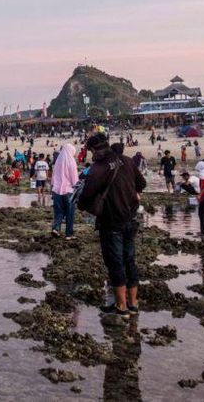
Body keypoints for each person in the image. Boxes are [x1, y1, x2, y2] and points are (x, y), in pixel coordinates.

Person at [78, 133, 146, 319]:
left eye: (91, 151)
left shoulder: (98, 168)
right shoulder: (126, 161)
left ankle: (120, 306)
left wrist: (81, 204)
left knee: (115, 263)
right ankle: (133, 304)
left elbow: (86, 195)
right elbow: (142, 183)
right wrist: (131, 194)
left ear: (94, 150)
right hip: (131, 218)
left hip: (111, 221)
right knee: (129, 260)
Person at [51, 144, 78, 240]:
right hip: (69, 191)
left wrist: (52, 188)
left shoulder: (58, 161)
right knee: (70, 213)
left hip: (57, 190)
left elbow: (53, 177)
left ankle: (56, 228)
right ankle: (69, 234)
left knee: (58, 211)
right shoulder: (71, 162)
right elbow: (74, 180)